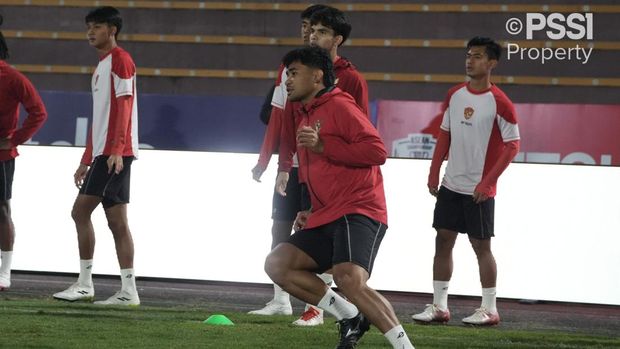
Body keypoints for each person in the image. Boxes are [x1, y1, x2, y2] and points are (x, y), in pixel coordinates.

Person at [265, 46, 415, 349]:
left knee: (349, 279)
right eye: (286, 75)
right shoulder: (306, 112)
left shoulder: (340, 106)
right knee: (278, 264)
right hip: (325, 213)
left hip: (358, 208)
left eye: (293, 74)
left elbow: (377, 151)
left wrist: (323, 147)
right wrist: (309, 207)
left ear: (317, 76)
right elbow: (315, 171)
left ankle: (404, 347)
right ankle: (349, 316)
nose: (287, 81)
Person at [411, 36, 520, 326]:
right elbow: (444, 133)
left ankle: (489, 309)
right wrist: (434, 172)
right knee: (442, 242)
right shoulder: (455, 94)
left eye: (478, 56)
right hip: (450, 185)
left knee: (481, 247)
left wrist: (487, 183)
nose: (470, 60)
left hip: (478, 191)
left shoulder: (501, 103)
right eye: (468, 55)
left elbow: (512, 145)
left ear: (492, 63)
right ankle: (439, 307)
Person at [249, 4, 333, 327]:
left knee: (318, 234)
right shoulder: (288, 69)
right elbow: (278, 121)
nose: (308, 33)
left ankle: (317, 308)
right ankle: (280, 300)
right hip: (292, 165)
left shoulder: (335, 74)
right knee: (280, 226)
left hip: (319, 166)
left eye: (315, 28)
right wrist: (269, 162)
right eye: (306, 27)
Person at [53, 6, 140, 306]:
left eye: (98, 26)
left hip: (115, 154)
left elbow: (125, 105)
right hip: (106, 153)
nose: (91, 32)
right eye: (89, 26)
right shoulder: (103, 64)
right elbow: (99, 117)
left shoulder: (121, 60)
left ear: (112, 30)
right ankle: (128, 292)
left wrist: (116, 149)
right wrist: (86, 158)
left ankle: (84, 284)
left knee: (80, 213)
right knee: (117, 223)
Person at [0, 15, 48, 290]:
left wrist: (14, 139)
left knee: (2, 210)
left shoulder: (12, 77)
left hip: (1, 157)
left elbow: (39, 112)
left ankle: (5, 270)